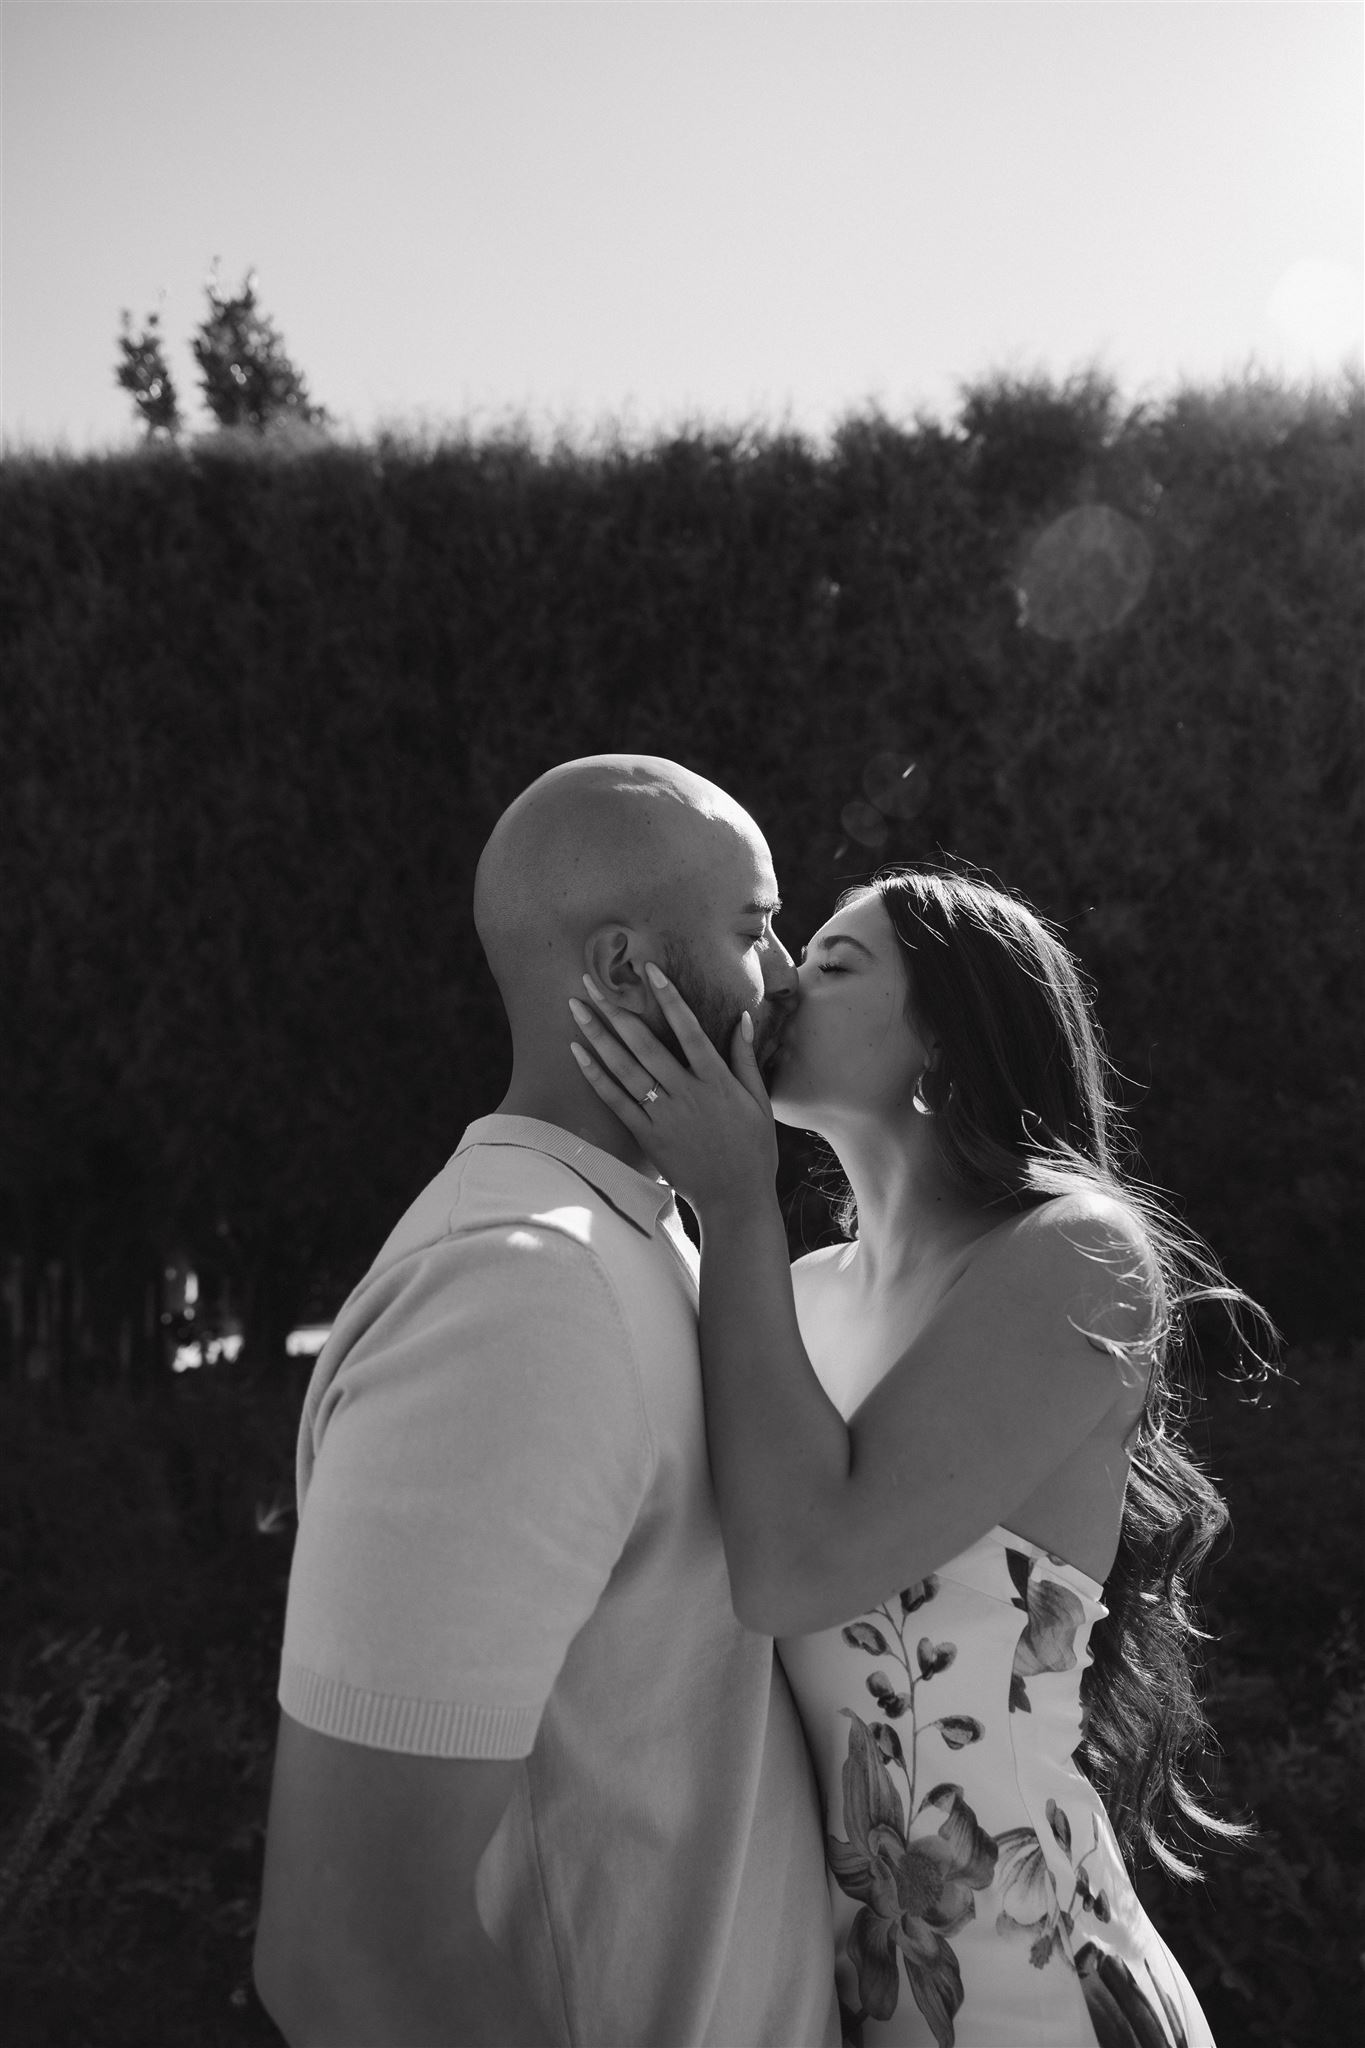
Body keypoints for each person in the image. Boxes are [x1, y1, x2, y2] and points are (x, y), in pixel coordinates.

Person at [569, 867, 1274, 2048]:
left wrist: (735, 1199)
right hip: (853, 2001)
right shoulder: (788, 1298)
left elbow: (795, 1568)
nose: (784, 979)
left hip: (1039, 1989)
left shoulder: (1079, 1253)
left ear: (947, 1029)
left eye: (836, 962)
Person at [253, 756, 842, 2048]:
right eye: (755, 929)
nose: (790, 975)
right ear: (626, 971)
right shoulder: (518, 1297)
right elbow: (348, 1953)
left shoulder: (645, 1236)